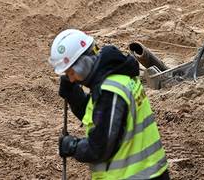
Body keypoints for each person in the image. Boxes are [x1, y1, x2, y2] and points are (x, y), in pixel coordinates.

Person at [48, 29, 169, 180]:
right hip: (147, 172)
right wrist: (74, 96)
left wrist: (73, 146)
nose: (71, 79)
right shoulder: (114, 77)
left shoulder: (111, 91)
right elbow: (100, 116)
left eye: (72, 73)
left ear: (84, 64)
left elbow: (100, 147)